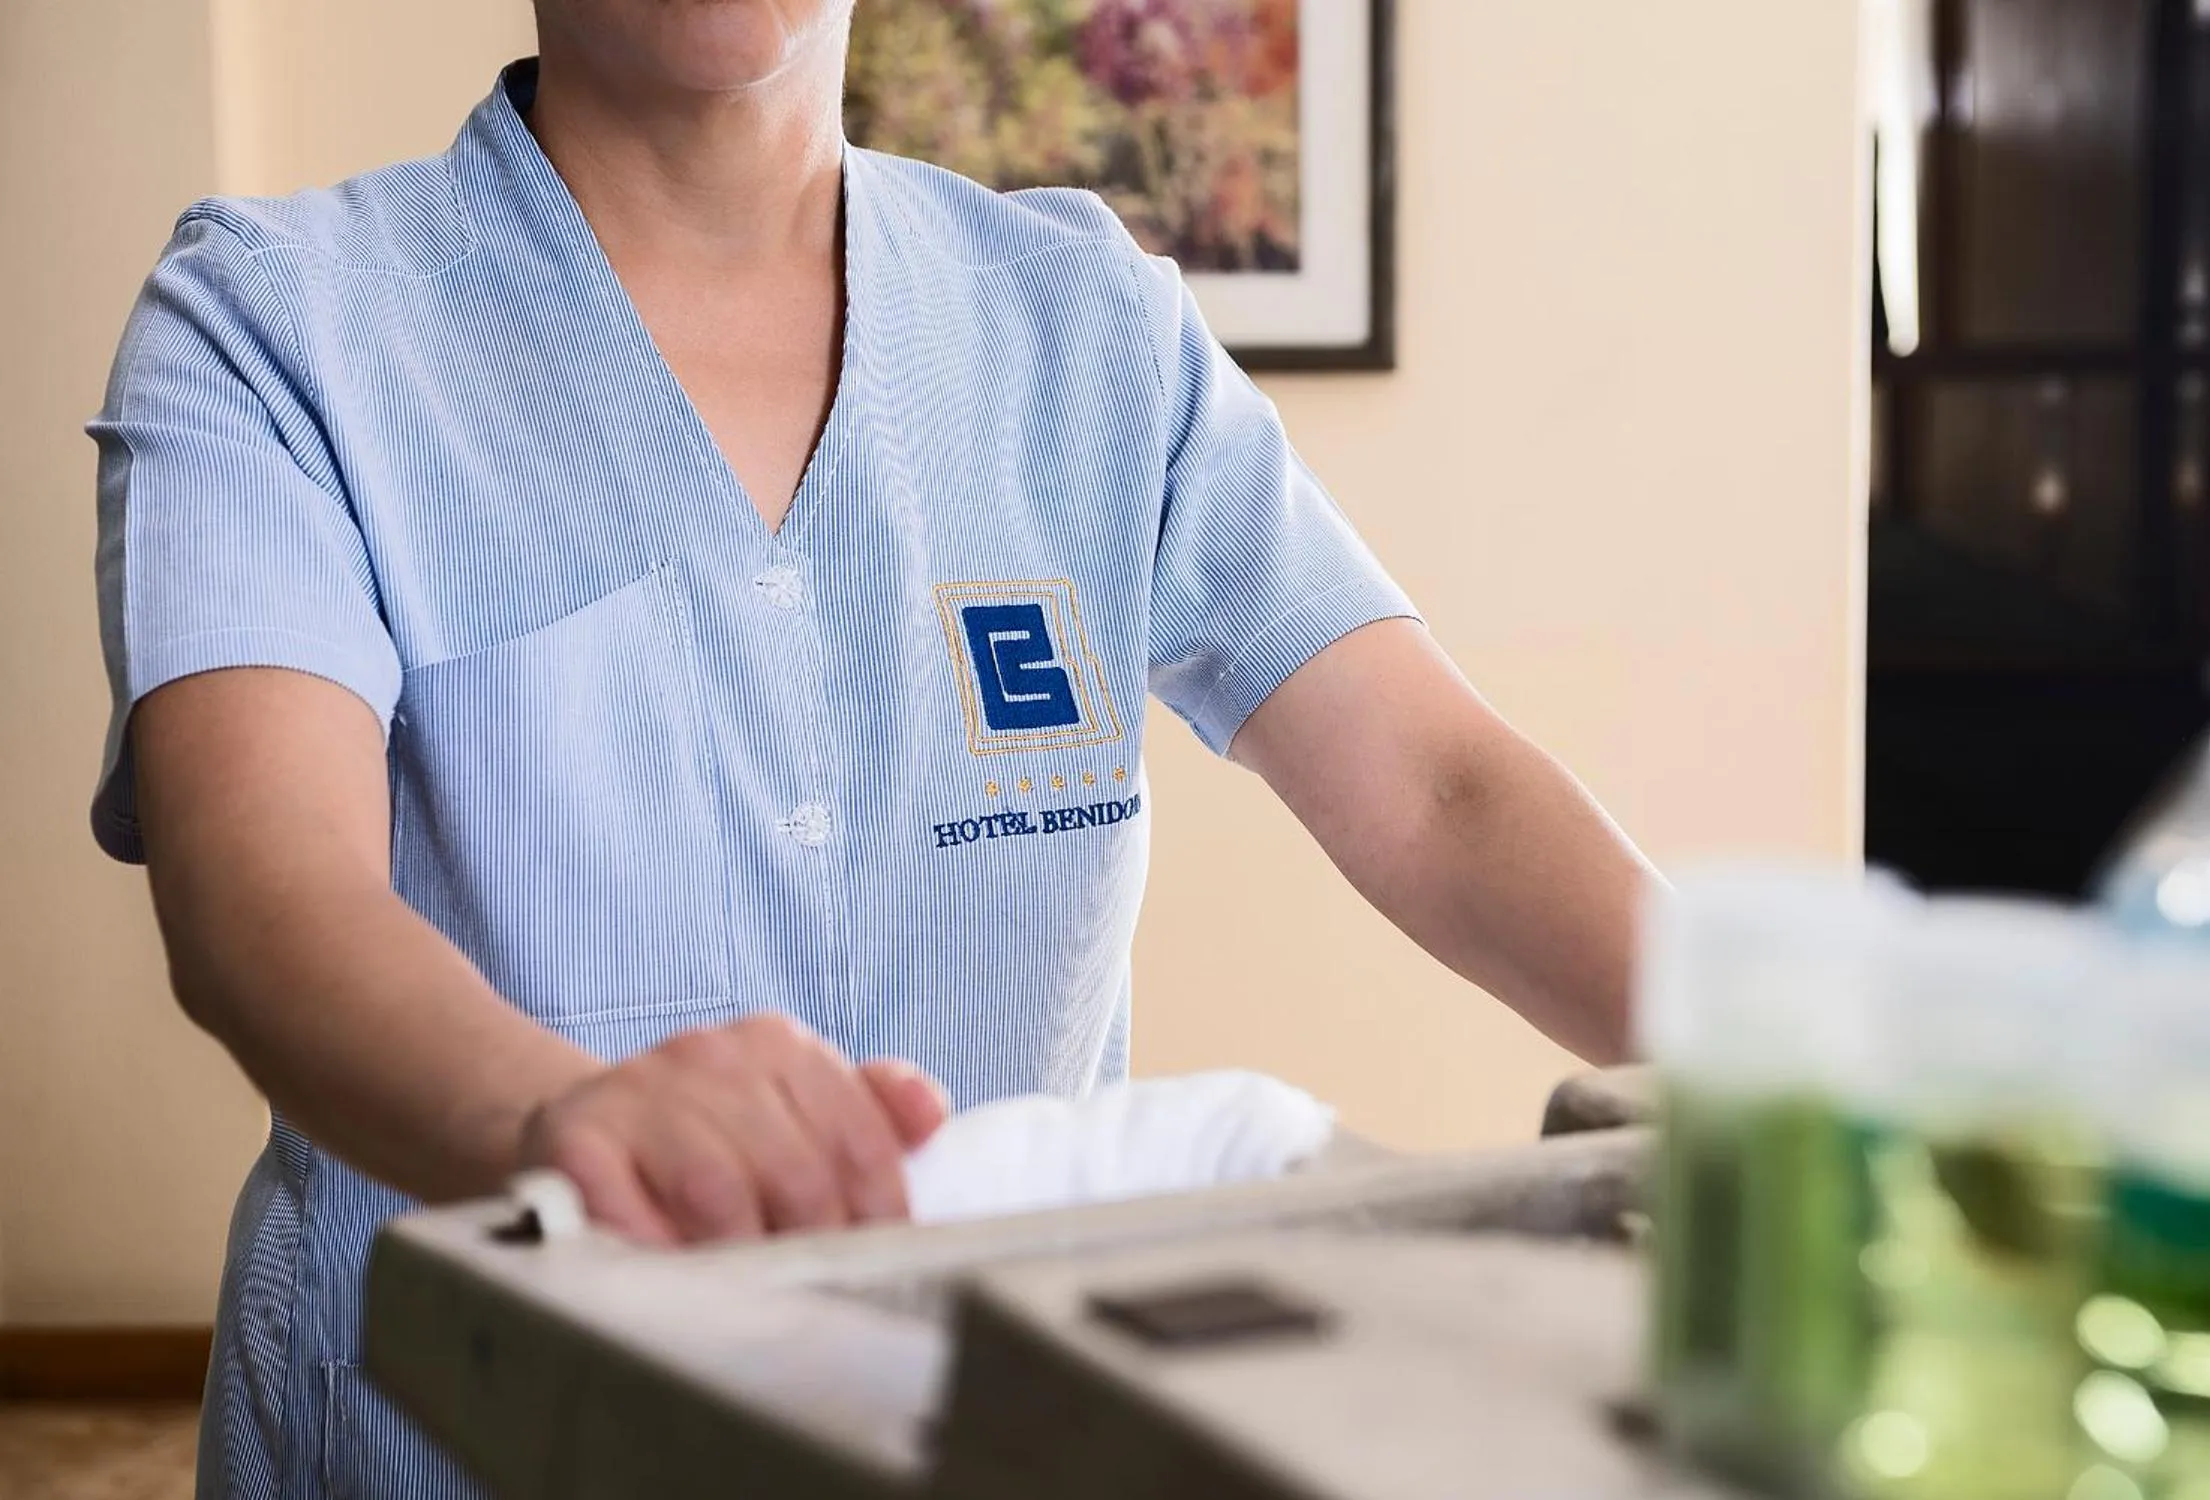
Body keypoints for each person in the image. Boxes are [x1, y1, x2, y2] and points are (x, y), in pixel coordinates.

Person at [90, 1, 1655, 1494]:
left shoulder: (1088, 327)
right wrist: (559, 1127)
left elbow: (1443, 795)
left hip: (978, 1436)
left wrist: (1785, 1053)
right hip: (449, 1439)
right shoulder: (277, 325)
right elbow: (268, 907)